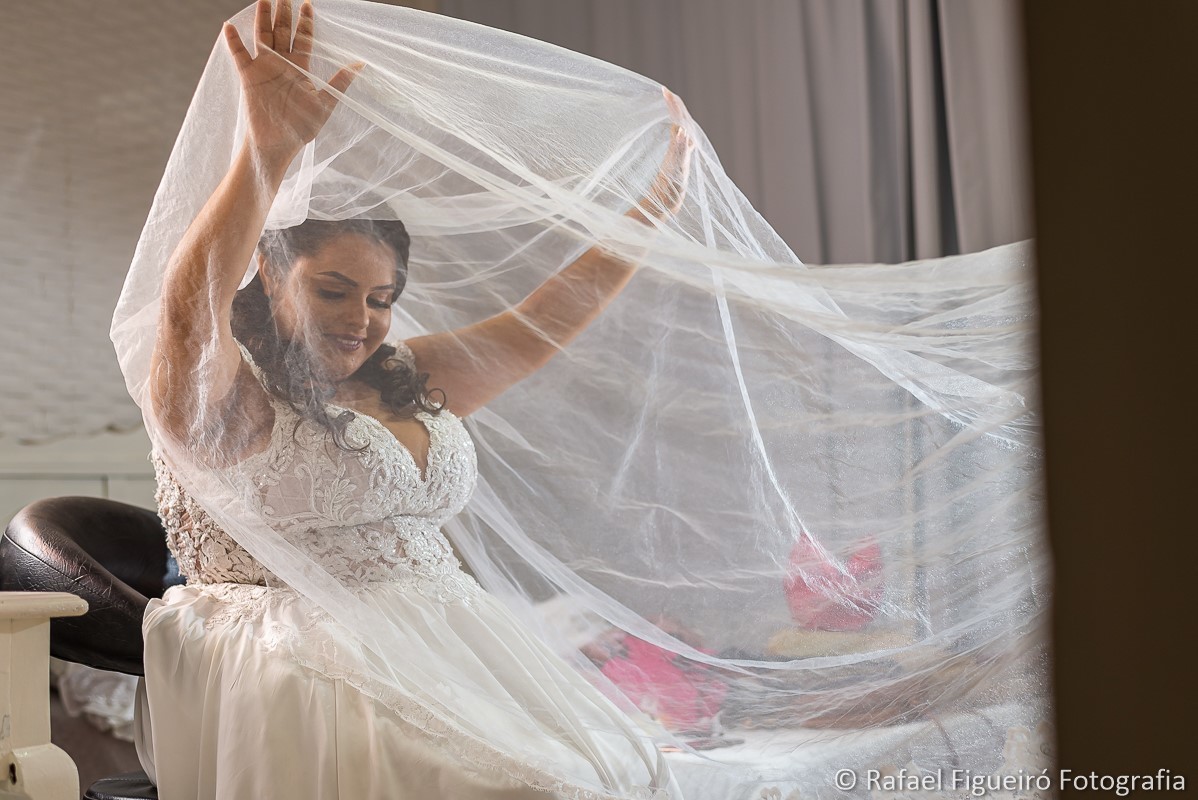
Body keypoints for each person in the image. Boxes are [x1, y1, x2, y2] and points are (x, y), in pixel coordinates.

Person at [134, 1, 696, 798]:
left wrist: (646, 219)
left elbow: (539, 326)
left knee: (627, 771)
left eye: (381, 297)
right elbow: (189, 306)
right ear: (268, 269)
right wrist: (263, 155)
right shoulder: (224, 397)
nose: (361, 319)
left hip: (449, 642)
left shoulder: (402, 368)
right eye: (333, 290)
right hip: (304, 654)